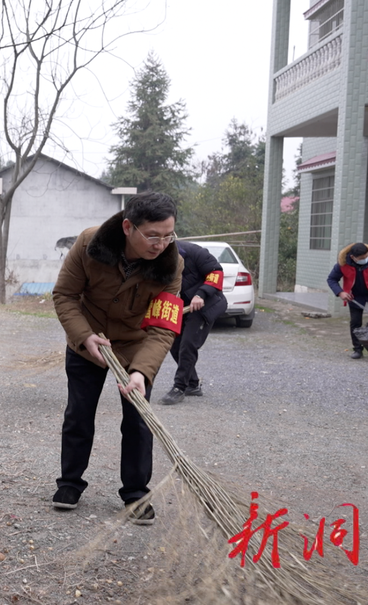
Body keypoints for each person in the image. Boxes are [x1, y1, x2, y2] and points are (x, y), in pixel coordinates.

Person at [51, 192, 183, 525]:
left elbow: (163, 328)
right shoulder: (87, 244)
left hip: (137, 346)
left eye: (168, 235)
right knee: (79, 415)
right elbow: (64, 295)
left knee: (139, 422)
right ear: (128, 227)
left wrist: (142, 371)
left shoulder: (172, 265)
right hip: (89, 339)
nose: (161, 244)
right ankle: (69, 483)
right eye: (153, 235)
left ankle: (136, 493)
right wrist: (83, 336)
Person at [159, 241, 228, 405]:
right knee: (175, 345)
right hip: (181, 308)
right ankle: (192, 384)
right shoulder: (155, 260)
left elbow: (216, 272)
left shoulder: (195, 252)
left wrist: (201, 294)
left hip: (205, 304)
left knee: (188, 344)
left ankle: (179, 387)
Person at [327, 242, 368, 359]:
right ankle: (357, 349)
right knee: (356, 322)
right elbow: (331, 279)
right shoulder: (343, 264)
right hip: (355, 296)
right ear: (353, 257)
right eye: (362, 258)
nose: (365, 259)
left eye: (366, 256)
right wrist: (340, 292)